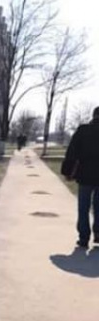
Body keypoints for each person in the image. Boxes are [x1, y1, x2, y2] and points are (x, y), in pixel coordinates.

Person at [61, 106, 99, 249]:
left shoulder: (83, 130)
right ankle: (98, 234)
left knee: (83, 208)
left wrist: (67, 171)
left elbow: (72, 152)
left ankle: (83, 238)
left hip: (85, 176)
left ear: (93, 115)